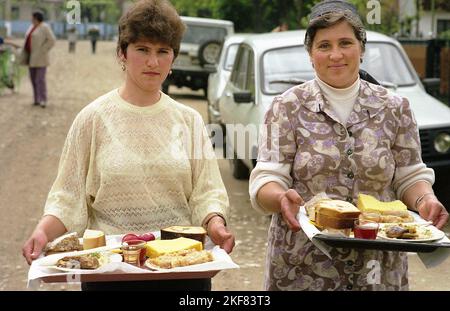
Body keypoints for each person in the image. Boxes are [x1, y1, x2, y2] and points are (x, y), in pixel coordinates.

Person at [22, 0, 235, 291]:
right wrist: (42, 232)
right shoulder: (92, 119)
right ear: (122, 52)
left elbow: (207, 192)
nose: (153, 62)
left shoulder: (189, 120)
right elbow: (67, 197)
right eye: (142, 50)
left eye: (163, 51)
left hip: (182, 269)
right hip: (110, 271)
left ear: (173, 58)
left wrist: (215, 224)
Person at [249, 0, 449, 291]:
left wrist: (424, 201)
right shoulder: (287, 107)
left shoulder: (394, 108)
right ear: (310, 54)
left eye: (345, 42)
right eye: (324, 45)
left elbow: (410, 176)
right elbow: (268, 175)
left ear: (362, 49)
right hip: (302, 265)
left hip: (376, 266)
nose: (336, 55)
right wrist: (280, 198)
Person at [20, 11, 56, 108]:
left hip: (41, 58)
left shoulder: (45, 27)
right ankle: (36, 99)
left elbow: (52, 40)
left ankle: (43, 99)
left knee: (40, 79)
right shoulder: (32, 27)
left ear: (36, 18)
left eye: (32, 17)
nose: (31, 19)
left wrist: (42, 50)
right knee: (33, 79)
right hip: (31, 57)